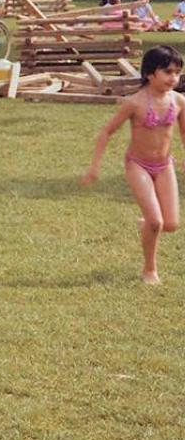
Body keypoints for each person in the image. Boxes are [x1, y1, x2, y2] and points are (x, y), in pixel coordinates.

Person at [82, 46, 183, 285]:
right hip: (138, 165)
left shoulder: (178, 100)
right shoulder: (135, 103)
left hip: (164, 165)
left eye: (178, 73)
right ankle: (150, 270)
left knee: (170, 224)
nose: (174, 78)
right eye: (168, 72)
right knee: (157, 222)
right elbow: (106, 132)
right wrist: (94, 168)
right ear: (149, 73)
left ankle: (147, 223)